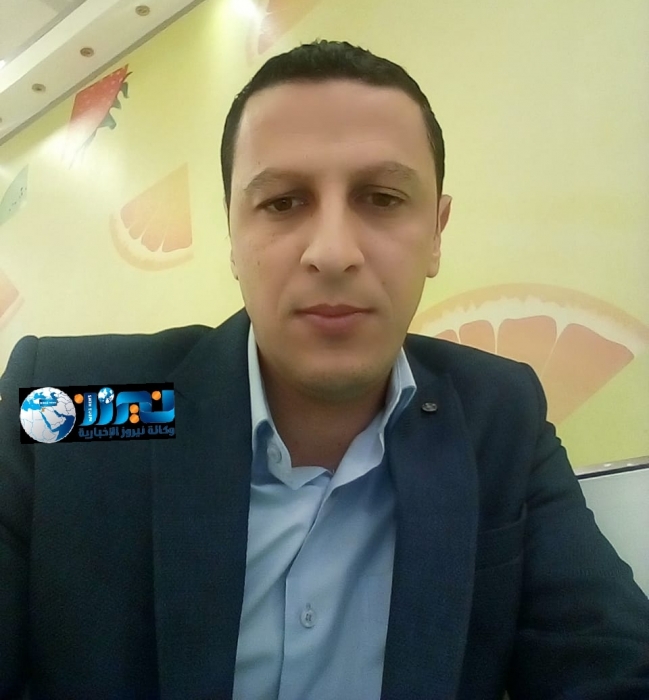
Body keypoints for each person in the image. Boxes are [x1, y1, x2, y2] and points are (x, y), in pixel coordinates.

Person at [1, 39, 648, 700]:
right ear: (232, 234)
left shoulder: (498, 417)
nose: (333, 252)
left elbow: (607, 659)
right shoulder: (68, 405)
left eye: (382, 198)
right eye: (283, 202)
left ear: (436, 231)